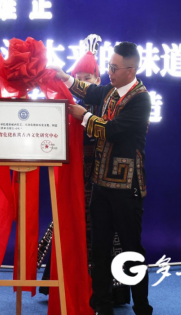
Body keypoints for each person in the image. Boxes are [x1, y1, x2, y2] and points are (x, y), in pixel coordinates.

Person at [52, 41, 153, 315]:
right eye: (109, 66)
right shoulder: (110, 90)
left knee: (131, 250)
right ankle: (102, 306)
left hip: (127, 187)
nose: (110, 72)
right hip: (100, 184)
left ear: (131, 70)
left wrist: (84, 116)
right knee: (100, 248)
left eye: (114, 68)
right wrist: (64, 77)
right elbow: (89, 90)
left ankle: (142, 307)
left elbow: (114, 130)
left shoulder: (141, 99)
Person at [38, 44, 131, 307]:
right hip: (79, 180)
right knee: (74, 227)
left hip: (104, 180)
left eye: (87, 78)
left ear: (98, 80)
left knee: (106, 233)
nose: (82, 82)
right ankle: (70, 284)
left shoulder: (111, 106)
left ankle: (110, 292)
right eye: (78, 78)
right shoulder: (72, 107)